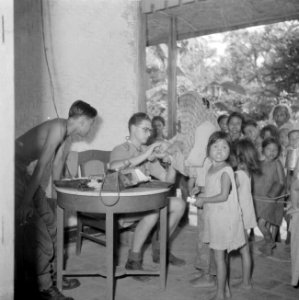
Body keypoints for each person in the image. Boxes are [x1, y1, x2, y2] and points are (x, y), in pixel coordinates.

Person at [15, 100, 97, 300]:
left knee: (52, 224)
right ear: (83, 121)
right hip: (9, 171)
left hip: (22, 173)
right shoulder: (59, 127)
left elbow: (57, 171)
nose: (92, 127)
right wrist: (26, 202)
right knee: (40, 235)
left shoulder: (66, 137)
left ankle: (53, 278)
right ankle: (44, 288)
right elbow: (42, 166)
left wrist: (67, 196)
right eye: (91, 123)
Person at [109, 112, 186, 281]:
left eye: (150, 130)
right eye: (145, 129)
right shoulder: (121, 149)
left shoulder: (147, 152)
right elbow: (114, 167)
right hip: (123, 205)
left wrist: (173, 160)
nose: (149, 133)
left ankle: (159, 249)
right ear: (132, 128)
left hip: (143, 202)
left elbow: (167, 180)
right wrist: (147, 153)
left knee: (179, 204)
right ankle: (133, 260)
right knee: (152, 212)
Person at [193, 131, 245, 300]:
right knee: (220, 257)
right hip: (214, 217)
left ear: (230, 151)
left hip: (223, 219)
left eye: (224, 147)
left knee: (219, 258)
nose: (220, 150)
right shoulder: (211, 167)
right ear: (208, 149)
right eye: (215, 146)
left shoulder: (226, 170)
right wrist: (200, 190)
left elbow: (223, 195)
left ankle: (220, 294)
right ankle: (226, 290)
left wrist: (204, 199)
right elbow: (212, 188)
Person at [234, 139, 261, 289]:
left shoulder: (238, 174)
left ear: (238, 156)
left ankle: (246, 283)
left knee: (243, 250)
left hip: (240, 215)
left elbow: (228, 191)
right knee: (245, 250)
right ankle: (246, 280)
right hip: (246, 213)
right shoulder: (247, 172)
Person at [253, 137, 285, 256]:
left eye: (275, 150)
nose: (272, 152)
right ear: (263, 150)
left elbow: (281, 182)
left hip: (271, 199)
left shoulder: (277, 163)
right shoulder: (258, 163)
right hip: (258, 198)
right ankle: (268, 246)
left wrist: (272, 196)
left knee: (261, 224)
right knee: (260, 223)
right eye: (269, 149)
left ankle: (270, 241)